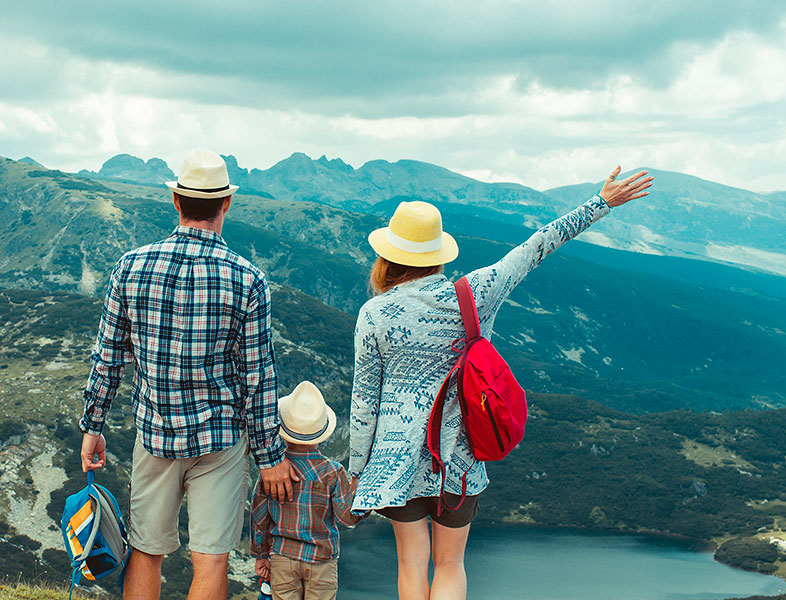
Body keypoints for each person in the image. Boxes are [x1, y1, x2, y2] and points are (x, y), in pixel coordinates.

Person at [349, 166, 652, 599]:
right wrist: (600, 202)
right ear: (437, 253)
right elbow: (535, 247)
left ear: (388, 257)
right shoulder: (474, 292)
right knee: (451, 564)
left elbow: (365, 404)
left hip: (396, 463)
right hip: (459, 458)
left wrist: (358, 471)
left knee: (410, 563)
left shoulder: (373, 314)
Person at [78, 149, 299, 600]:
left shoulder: (130, 266)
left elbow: (108, 357)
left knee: (144, 550)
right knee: (211, 557)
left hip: (155, 434)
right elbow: (258, 378)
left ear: (176, 201)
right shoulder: (248, 279)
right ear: (227, 205)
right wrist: (270, 455)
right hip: (219, 440)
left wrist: (93, 426)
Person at [250, 381, 362, 600]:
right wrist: (363, 498)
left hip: (282, 556)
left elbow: (259, 516)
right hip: (322, 558)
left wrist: (261, 555)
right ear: (321, 432)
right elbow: (347, 518)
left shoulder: (272, 472)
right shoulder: (333, 472)